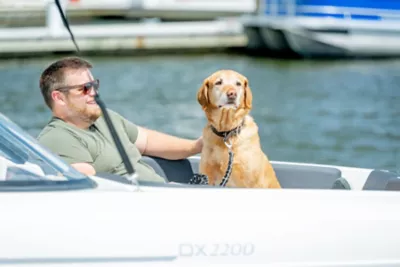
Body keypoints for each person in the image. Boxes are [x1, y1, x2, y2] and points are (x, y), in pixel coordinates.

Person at [37, 56, 202, 183]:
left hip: (168, 195)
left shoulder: (106, 118)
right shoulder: (58, 138)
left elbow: (147, 140)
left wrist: (199, 145)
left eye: (94, 85)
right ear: (59, 98)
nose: (93, 92)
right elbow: (89, 189)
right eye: (85, 89)